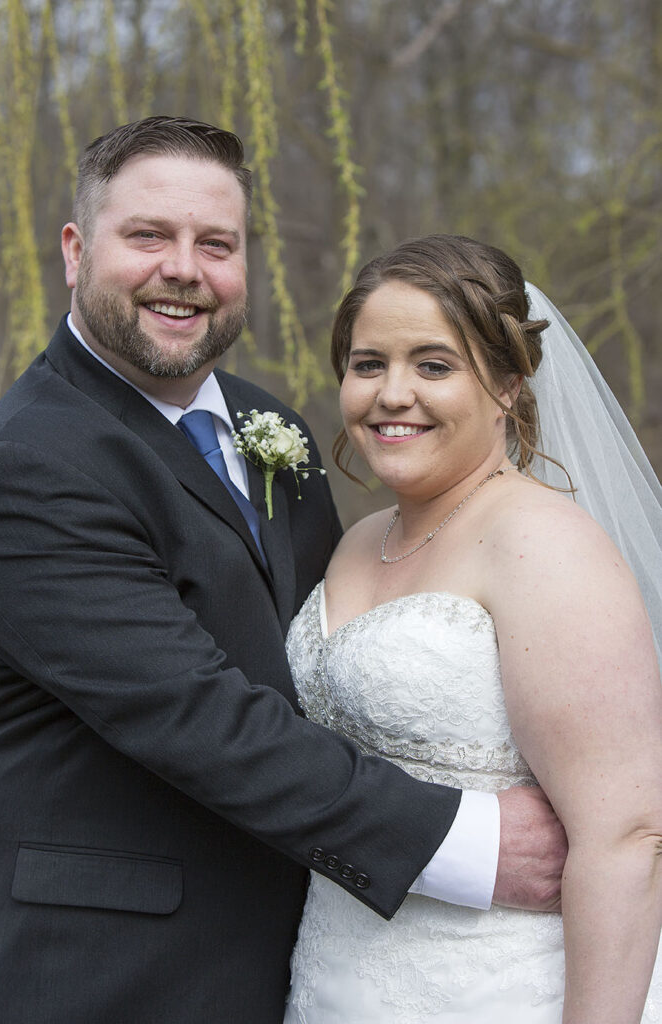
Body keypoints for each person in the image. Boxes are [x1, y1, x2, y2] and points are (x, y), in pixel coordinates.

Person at [0, 121, 565, 1022]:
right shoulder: (27, 463)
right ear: (75, 249)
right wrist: (469, 840)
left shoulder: (269, 427)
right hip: (116, 975)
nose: (185, 269)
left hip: (318, 956)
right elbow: (196, 716)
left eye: (216, 244)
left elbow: (326, 653)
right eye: (148, 236)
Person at [283, 234, 662, 1023]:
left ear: (508, 386)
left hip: (496, 987)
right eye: (368, 364)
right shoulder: (359, 539)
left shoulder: (542, 543)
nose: (392, 394)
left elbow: (626, 836)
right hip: (332, 975)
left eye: (433, 365)